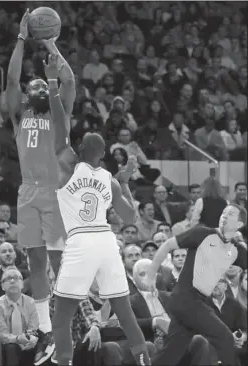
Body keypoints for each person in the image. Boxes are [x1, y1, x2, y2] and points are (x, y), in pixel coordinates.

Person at [43, 54, 151, 366]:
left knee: (61, 317)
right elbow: (130, 218)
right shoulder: (109, 179)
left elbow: (59, 122)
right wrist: (126, 180)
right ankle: (145, 362)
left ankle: (63, 363)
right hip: (107, 241)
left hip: (80, 241)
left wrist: (52, 80)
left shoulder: (67, 165)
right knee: (126, 314)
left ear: (79, 150)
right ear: (103, 154)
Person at [5, 10, 76, 365]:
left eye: (40, 85)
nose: (34, 86)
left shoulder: (60, 114)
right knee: (34, 259)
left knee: (61, 260)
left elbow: (69, 82)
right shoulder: (19, 115)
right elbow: (12, 82)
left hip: (55, 191)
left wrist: (51, 45)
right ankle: (46, 329)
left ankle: (66, 322)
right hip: (27, 192)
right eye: (31, 85)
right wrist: (20, 40)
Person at [146, 204, 247, 366]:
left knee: (171, 353)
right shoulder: (202, 233)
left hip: (193, 303)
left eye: (231, 215)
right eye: (223, 212)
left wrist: (241, 242)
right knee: (225, 338)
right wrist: (151, 276)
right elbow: (167, 245)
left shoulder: (235, 249)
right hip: (186, 299)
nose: (225, 216)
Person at [0, 267, 39, 366]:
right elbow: (2, 334)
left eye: (16, 278)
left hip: (27, 341)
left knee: (39, 344)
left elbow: (33, 327)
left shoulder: (30, 302)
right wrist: (17, 339)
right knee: (11, 347)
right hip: (6, 346)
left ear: (22, 284)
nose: (12, 281)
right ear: (2, 286)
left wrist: (32, 337)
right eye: (8, 278)